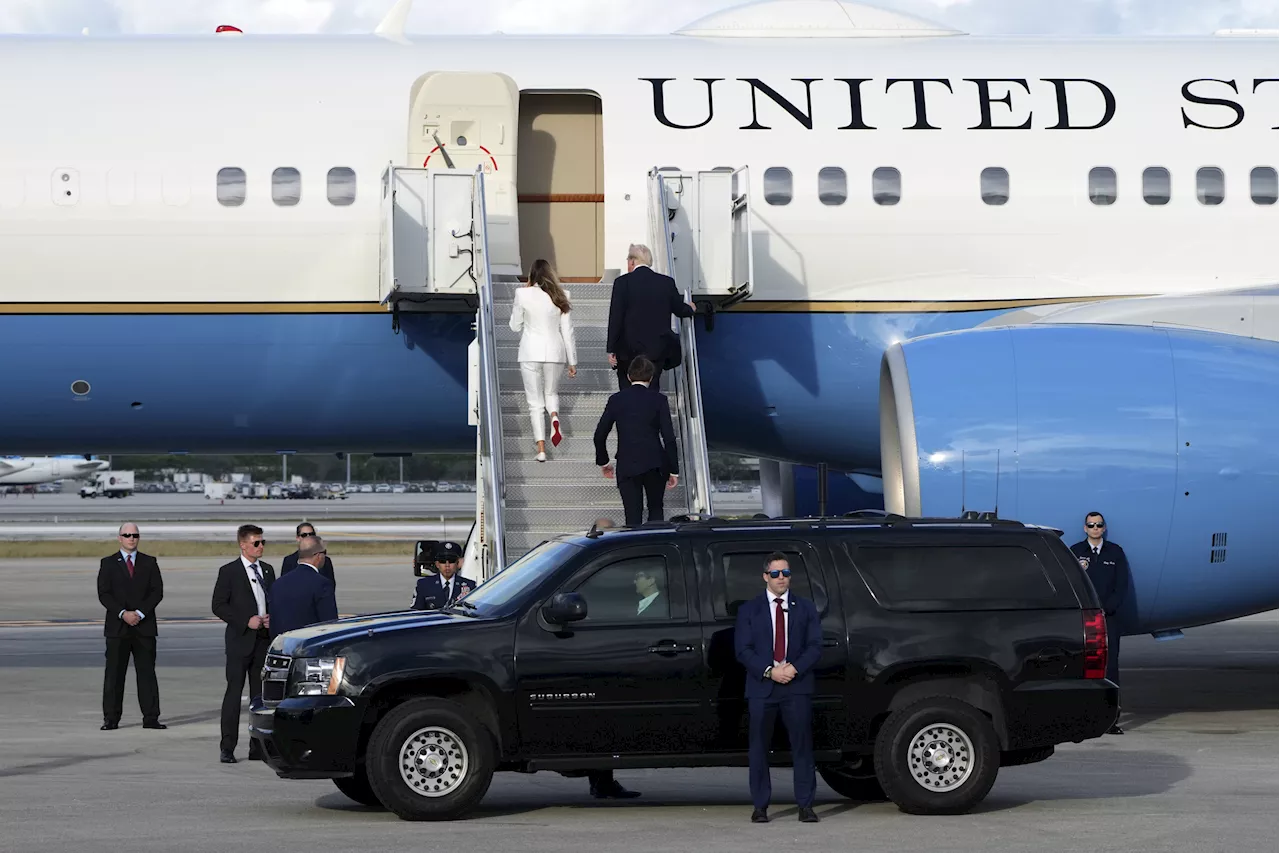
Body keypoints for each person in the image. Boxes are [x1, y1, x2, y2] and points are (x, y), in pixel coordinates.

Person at [734, 553, 822, 824]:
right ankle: (760, 806)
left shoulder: (805, 607)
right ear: (765, 577)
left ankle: (805, 805)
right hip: (762, 688)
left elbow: (815, 646)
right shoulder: (750, 609)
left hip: (796, 687)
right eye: (775, 574)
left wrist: (792, 669)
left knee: (802, 747)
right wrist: (771, 671)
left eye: (785, 573)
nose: (781, 578)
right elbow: (743, 650)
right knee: (759, 747)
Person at [211, 524, 275, 764]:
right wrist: (244, 621)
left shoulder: (267, 570)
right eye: (256, 543)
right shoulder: (229, 571)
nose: (261, 547)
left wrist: (271, 617)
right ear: (243, 544)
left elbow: (272, 600)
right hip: (240, 641)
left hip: (262, 642)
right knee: (233, 695)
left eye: (262, 542)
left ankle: (257, 747)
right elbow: (218, 605)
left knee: (260, 697)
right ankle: (227, 747)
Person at [593, 356, 679, 526]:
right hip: (655, 463)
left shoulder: (616, 400)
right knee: (655, 509)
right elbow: (669, 437)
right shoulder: (659, 400)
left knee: (632, 516)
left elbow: (600, 434)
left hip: (627, 463)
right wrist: (673, 470)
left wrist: (603, 461)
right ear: (652, 378)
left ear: (629, 377)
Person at [97, 522, 165, 731]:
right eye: (127, 535)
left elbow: (157, 592)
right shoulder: (108, 563)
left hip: (144, 628)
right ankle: (111, 718)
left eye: (134, 535)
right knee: (114, 676)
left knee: (147, 675)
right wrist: (122, 614)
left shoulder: (149, 562)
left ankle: (151, 718)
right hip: (118, 628)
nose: (131, 538)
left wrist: (140, 613)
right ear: (119, 538)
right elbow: (104, 594)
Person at [509, 258, 578, 461]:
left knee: (535, 403)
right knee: (551, 393)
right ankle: (554, 416)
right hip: (555, 352)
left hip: (530, 352)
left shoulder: (522, 294)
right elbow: (568, 332)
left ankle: (541, 449)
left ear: (532, 275)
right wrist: (572, 361)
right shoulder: (562, 295)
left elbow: (514, 325)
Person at [605, 243, 696, 391]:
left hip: (627, 351)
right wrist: (690, 309)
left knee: (627, 392)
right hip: (656, 350)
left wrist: (611, 349)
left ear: (632, 261)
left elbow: (616, 317)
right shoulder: (666, 282)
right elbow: (679, 309)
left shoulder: (622, 283)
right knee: (652, 391)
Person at [1070, 511, 1130, 735]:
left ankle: (1111, 720)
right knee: (1083, 669)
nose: (1095, 528)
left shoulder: (1115, 552)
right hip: (1083, 621)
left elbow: (1121, 586)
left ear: (1104, 528)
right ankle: (1083, 719)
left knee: (1110, 669)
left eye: (1099, 525)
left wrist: (1106, 610)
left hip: (1108, 620)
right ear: (1085, 528)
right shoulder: (1075, 552)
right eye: (1091, 525)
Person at [268, 535, 338, 639]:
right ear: (318, 556)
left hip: (283, 648)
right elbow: (328, 624)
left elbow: (273, 624)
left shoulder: (278, 584)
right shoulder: (322, 584)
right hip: (310, 648)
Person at [411, 541, 475, 610]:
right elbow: (416, 612)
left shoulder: (470, 586)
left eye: (451, 561)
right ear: (437, 564)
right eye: (443, 561)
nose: (447, 565)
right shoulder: (424, 585)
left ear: (457, 563)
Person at [280, 522, 336, 587]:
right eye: (304, 535)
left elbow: (330, 585)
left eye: (311, 534)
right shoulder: (289, 561)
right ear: (297, 538)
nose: (308, 537)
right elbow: (284, 584)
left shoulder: (325, 560)